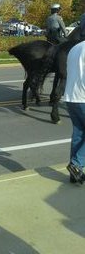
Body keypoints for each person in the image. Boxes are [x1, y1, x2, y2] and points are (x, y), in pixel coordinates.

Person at [64, 36, 85, 184]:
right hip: (84, 97)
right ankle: (76, 165)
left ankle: (75, 174)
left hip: (71, 97)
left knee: (78, 133)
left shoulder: (75, 48)